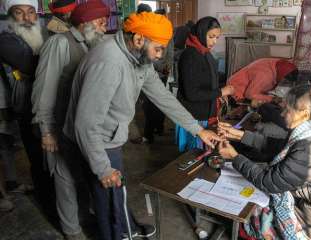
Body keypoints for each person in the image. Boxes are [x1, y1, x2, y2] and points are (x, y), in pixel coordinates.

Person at [62, 12, 221, 240]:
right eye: (158, 49)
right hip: (97, 141)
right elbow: (85, 124)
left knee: (115, 197)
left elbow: (162, 97)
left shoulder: (139, 58)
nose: (160, 55)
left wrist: (197, 129)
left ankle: (126, 228)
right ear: (138, 40)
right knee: (108, 202)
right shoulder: (108, 62)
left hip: (109, 136)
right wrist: (102, 168)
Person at [218, 84, 311, 239]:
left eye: (287, 109)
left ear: (304, 114)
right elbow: (277, 146)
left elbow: (268, 181)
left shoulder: (310, 149)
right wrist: (238, 135)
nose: (283, 114)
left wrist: (234, 156)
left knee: (256, 210)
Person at [31, 1, 110, 239]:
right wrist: (46, 130)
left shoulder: (91, 44)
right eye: (101, 22)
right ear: (85, 23)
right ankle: (71, 230)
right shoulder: (59, 43)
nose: (104, 28)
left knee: (82, 175)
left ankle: (84, 217)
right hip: (59, 126)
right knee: (64, 180)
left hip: (81, 128)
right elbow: (44, 90)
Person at [0, 0, 56, 215]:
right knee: (39, 161)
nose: (26, 18)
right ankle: (49, 206)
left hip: (52, 108)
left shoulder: (43, 36)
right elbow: (33, 65)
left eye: (31, 12)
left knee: (57, 161)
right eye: (19, 12)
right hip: (28, 111)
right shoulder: (6, 40)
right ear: (10, 16)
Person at [176, 16, 234, 152]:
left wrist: (218, 93)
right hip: (193, 118)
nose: (214, 41)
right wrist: (220, 92)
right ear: (201, 33)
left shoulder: (205, 52)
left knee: (203, 154)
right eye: (211, 36)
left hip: (204, 115)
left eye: (217, 38)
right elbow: (192, 94)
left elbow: (207, 81)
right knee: (192, 156)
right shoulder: (190, 56)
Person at [132, 8, 174, 144]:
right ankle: (158, 129)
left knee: (150, 105)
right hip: (161, 71)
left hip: (158, 72)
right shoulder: (164, 33)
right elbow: (168, 55)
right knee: (156, 102)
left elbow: (163, 55)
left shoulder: (162, 34)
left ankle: (149, 134)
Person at [228, 58, 298, 107]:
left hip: (246, 86)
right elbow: (250, 95)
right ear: (281, 76)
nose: (285, 84)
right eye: (285, 82)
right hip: (237, 92)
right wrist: (272, 99)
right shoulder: (265, 75)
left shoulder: (277, 64)